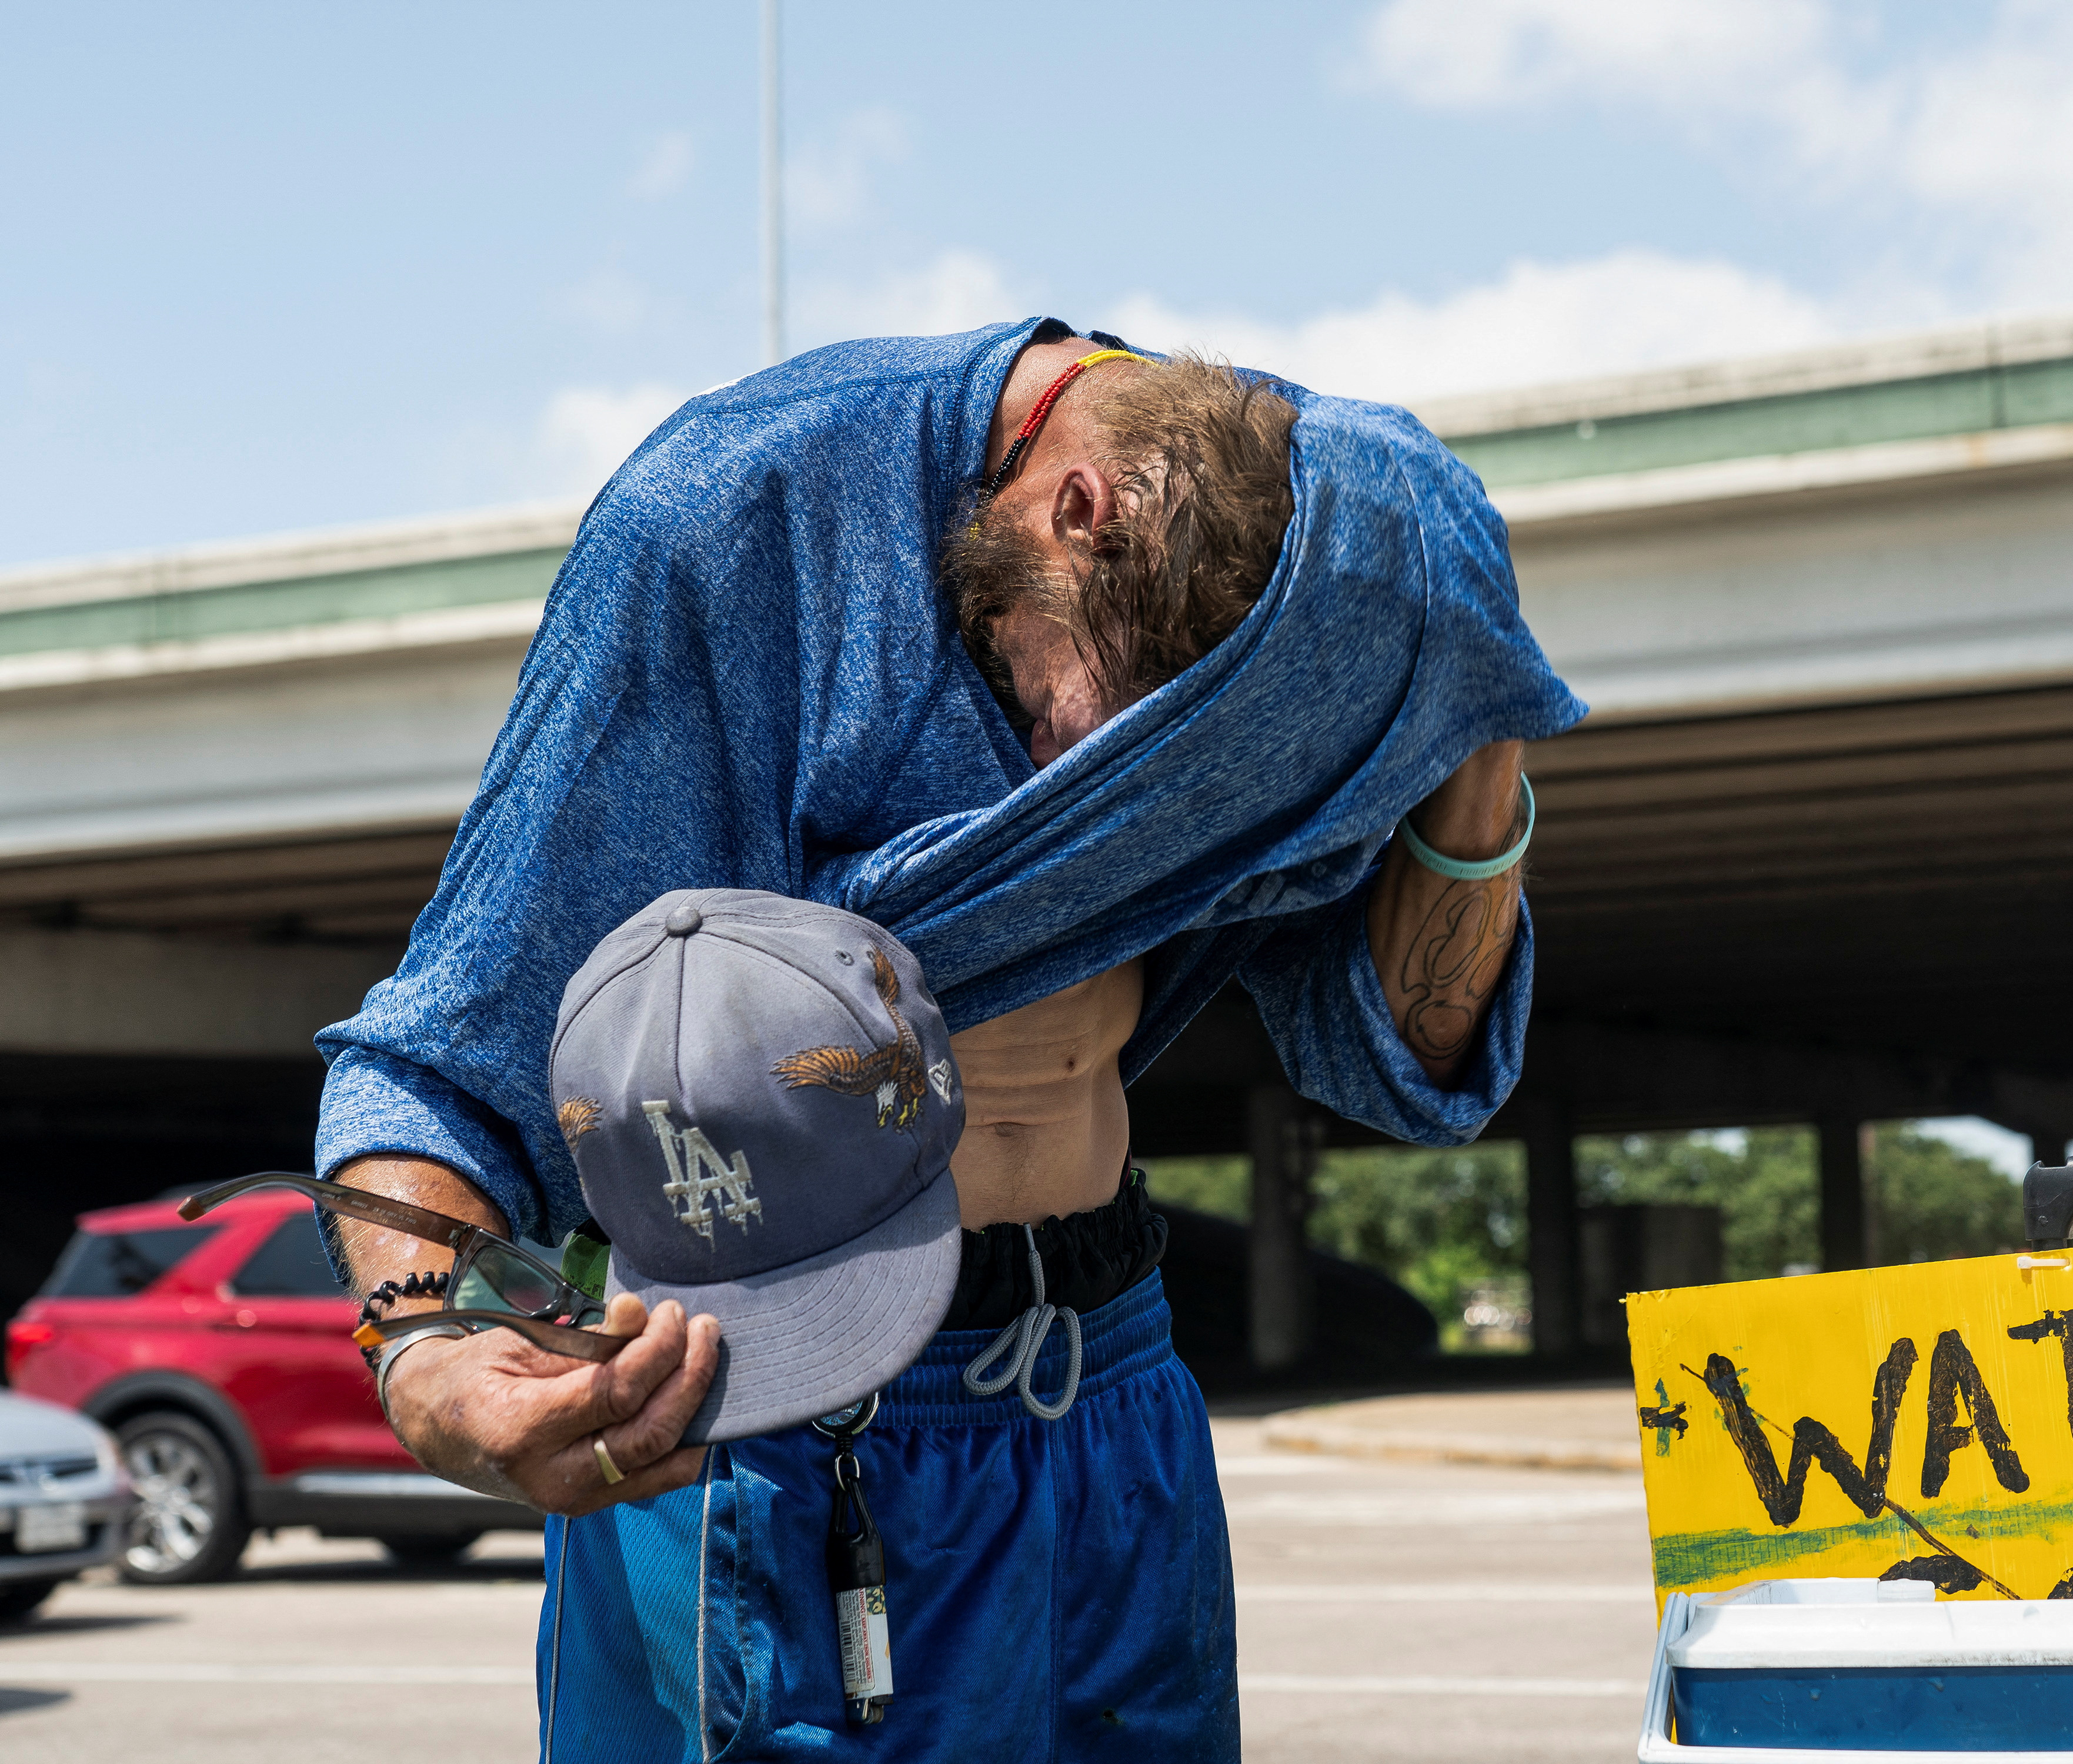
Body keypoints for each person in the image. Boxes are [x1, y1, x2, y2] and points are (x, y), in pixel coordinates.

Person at [318, 320, 1583, 1760]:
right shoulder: (733, 525)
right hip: (793, 1411)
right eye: (1079, 729)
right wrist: (426, 1354)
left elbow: (1405, 1075)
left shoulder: (1312, 577)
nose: (1078, 794)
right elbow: (441, 1059)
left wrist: (1476, 735)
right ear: (1077, 514)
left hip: (1112, 1382)